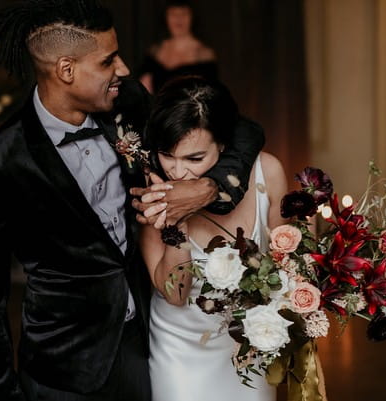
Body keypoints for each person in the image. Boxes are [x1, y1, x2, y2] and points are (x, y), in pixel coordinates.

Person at [0, 1, 265, 401]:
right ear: (66, 70)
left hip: (144, 350)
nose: (122, 68)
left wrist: (209, 186)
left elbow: (242, 129)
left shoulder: (128, 102)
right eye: (108, 61)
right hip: (62, 372)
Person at [139, 76, 288, 401]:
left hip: (248, 348)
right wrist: (175, 222)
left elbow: (286, 264)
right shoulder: (153, 191)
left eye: (194, 159)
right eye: (167, 155)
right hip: (179, 353)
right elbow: (175, 294)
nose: (177, 173)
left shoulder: (268, 172)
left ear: (223, 145)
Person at [139, 0, 217, 93]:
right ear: (166, 18)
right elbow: (143, 87)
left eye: (184, 14)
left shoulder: (204, 54)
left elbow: (210, 93)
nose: (178, 19)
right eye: (173, 14)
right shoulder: (155, 51)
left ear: (192, 17)